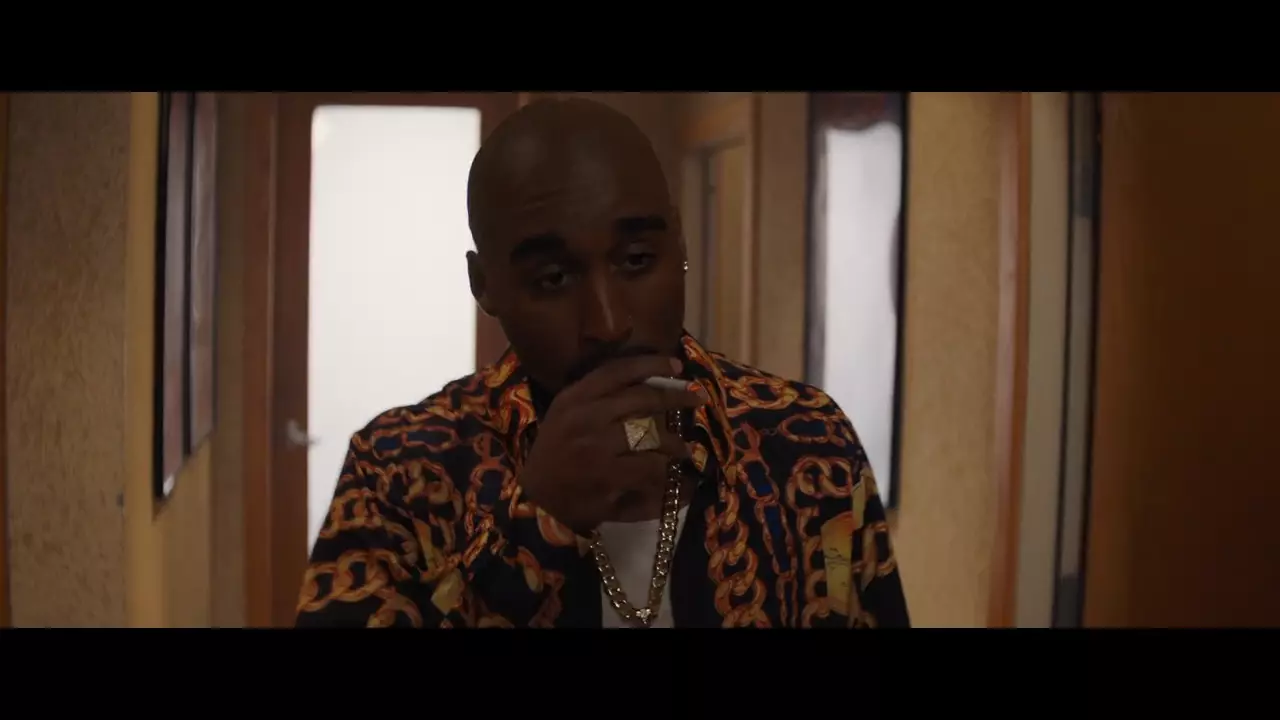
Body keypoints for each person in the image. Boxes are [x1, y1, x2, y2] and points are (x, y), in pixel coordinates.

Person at [295, 97, 910, 628]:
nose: (609, 322)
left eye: (637, 260)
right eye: (554, 278)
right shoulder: (398, 471)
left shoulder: (806, 440)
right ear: (485, 286)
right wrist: (534, 526)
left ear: (679, 244)